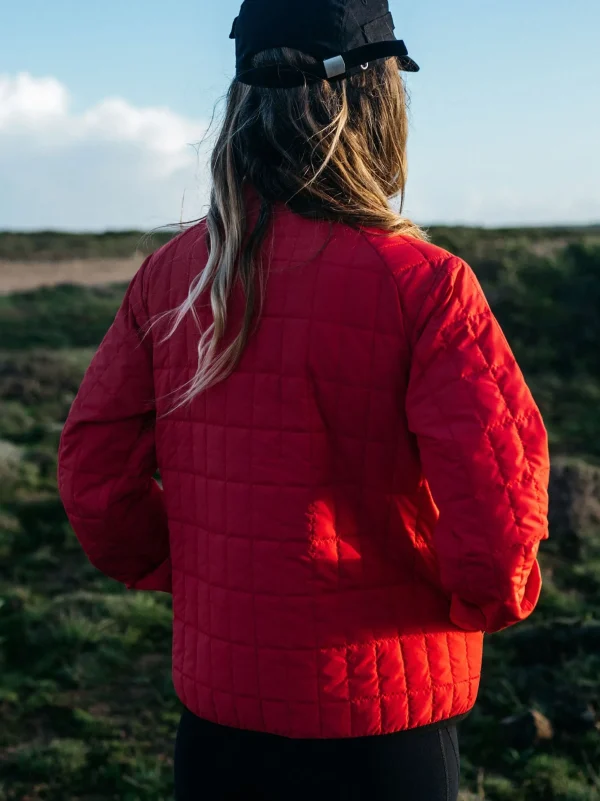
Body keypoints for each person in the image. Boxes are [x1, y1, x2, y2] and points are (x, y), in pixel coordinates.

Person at [57, 0, 550, 798]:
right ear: (375, 100)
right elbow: (498, 532)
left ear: (242, 104)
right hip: (385, 733)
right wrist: (475, 604)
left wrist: (195, 570)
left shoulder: (170, 277)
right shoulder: (426, 286)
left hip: (219, 727)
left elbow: (91, 476)